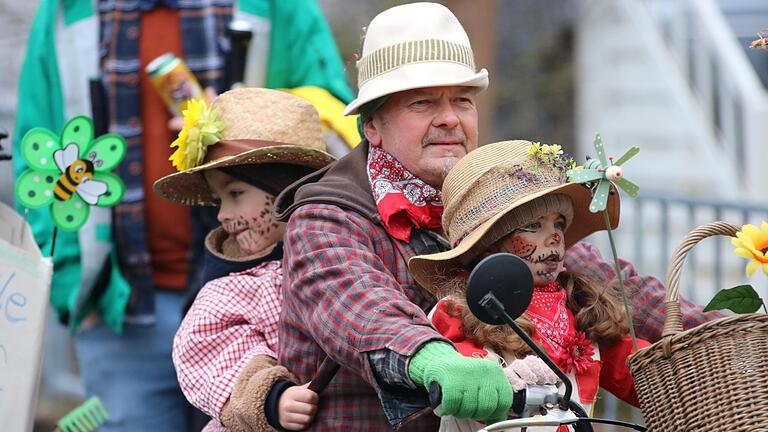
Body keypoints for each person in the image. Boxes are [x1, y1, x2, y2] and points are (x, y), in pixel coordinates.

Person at [274, 2, 723, 430]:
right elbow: (358, 306)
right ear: (372, 125)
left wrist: (730, 336)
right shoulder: (326, 217)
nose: (450, 119)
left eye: (463, 101)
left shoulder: (493, 197)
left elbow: (618, 289)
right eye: (423, 103)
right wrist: (433, 357)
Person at [12, 0, 353, 430]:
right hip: (122, 313)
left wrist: (245, 120)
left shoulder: (279, 7)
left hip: (271, 310)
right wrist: (71, 283)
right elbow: (35, 150)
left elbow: (340, 128)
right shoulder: (67, 11)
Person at [409, 140, 653, 431]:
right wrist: (496, 382)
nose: (555, 237)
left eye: (559, 224)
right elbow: (462, 378)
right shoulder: (457, 311)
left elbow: (644, 375)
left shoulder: (584, 310)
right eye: (533, 226)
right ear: (487, 246)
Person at [154, 88, 332, 431]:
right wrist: (270, 396)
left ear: (288, 194)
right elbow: (211, 353)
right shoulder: (232, 288)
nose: (223, 214)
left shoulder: (341, 256)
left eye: (235, 194)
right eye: (220, 198)